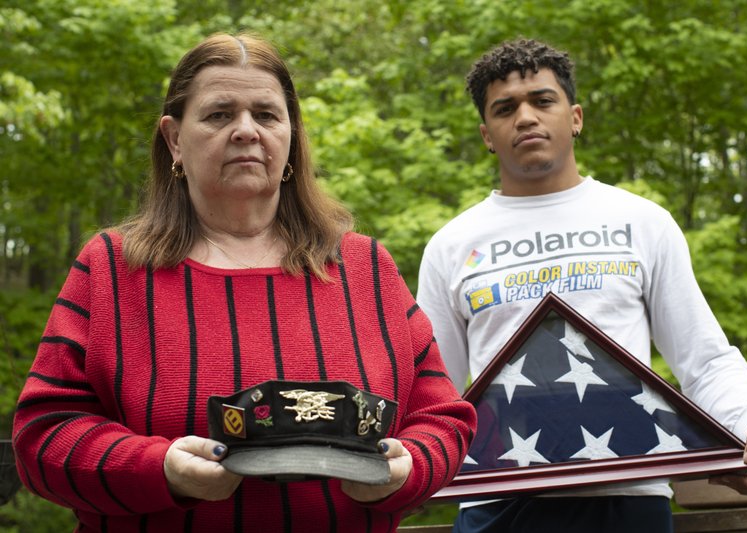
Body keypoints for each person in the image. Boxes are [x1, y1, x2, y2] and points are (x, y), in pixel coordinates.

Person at [12, 32, 476, 532]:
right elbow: (43, 435)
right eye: (218, 115)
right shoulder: (111, 268)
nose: (246, 131)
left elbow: (443, 419)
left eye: (267, 115)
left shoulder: (365, 267)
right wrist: (160, 468)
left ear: (291, 136)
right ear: (174, 139)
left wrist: (408, 470)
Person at [416, 38, 747, 532]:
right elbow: (434, 390)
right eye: (505, 108)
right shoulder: (451, 244)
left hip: (629, 493)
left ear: (576, 117)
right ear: (487, 134)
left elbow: (703, 359)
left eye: (543, 101)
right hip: (497, 500)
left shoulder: (643, 222)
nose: (526, 117)